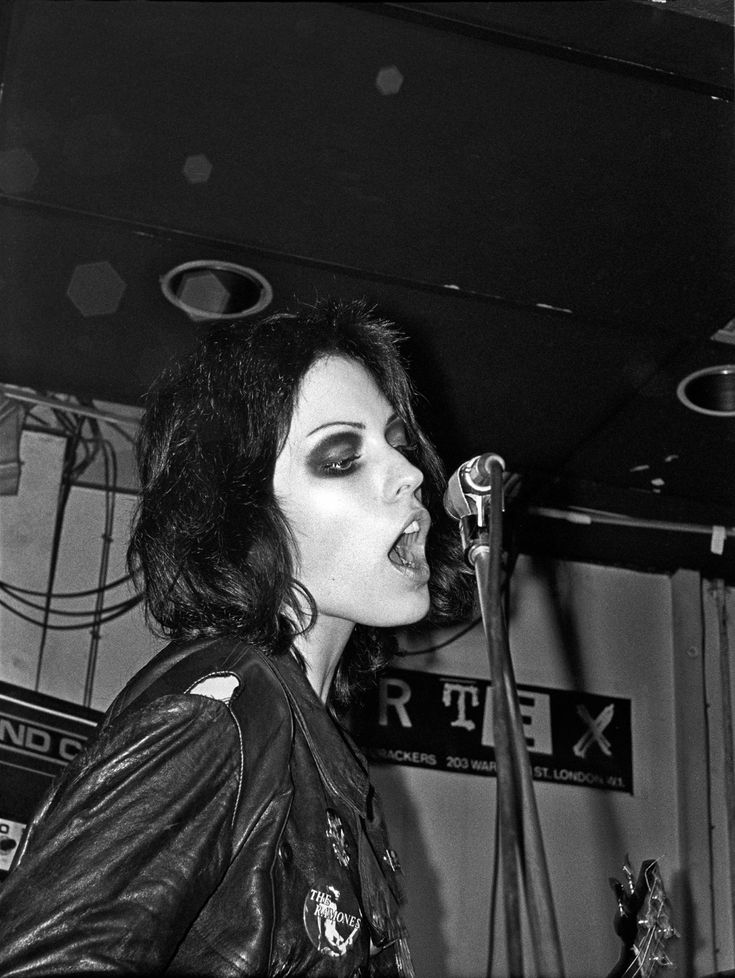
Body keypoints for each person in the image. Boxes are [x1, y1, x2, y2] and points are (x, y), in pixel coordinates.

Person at [0, 297, 472, 976]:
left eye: (397, 444)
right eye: (341, 457)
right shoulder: (224, 711)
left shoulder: (313, 741)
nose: (409, 475)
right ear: (244, 514)